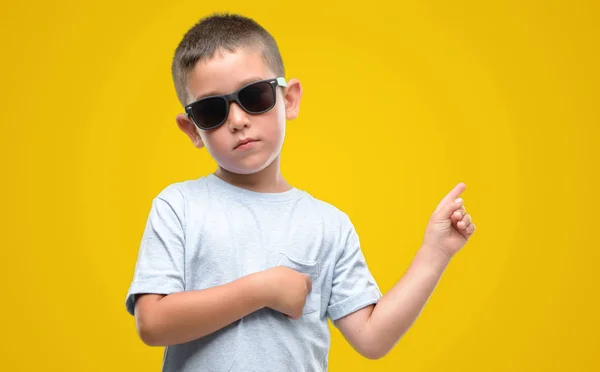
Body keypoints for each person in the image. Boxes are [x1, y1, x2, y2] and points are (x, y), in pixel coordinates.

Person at [124, 12, 476, 372]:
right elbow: (152, 323)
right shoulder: (178, 206)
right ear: (192, 129)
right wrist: (262, 290)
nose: (238, 120)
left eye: (254, 96)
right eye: (211, 109)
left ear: (288, 99)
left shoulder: (328, 224)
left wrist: (435, 254)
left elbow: (372, 338)